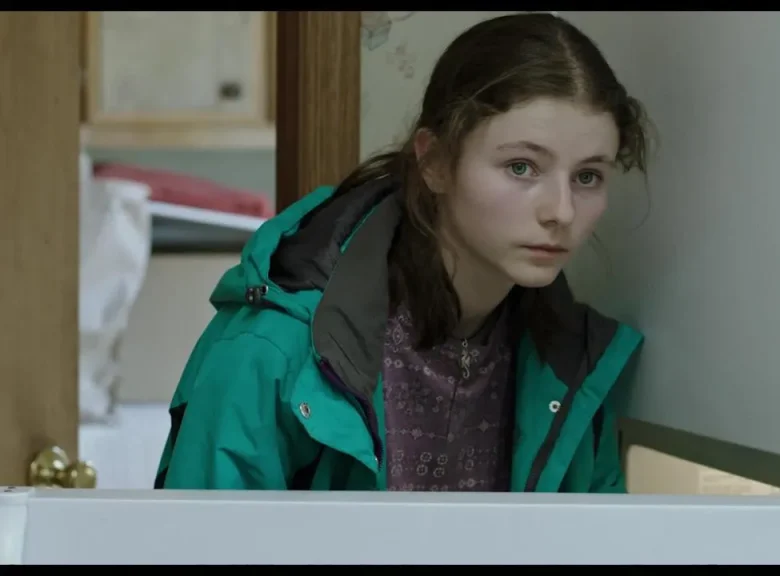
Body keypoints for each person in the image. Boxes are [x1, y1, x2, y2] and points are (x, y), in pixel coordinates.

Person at [155, 12, 650, 493]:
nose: (562, 211)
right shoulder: (275, 348)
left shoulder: (573, 364)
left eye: (588, 176)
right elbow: (200, 536)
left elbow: (598, 535)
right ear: (434, 161)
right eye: (521, 167)